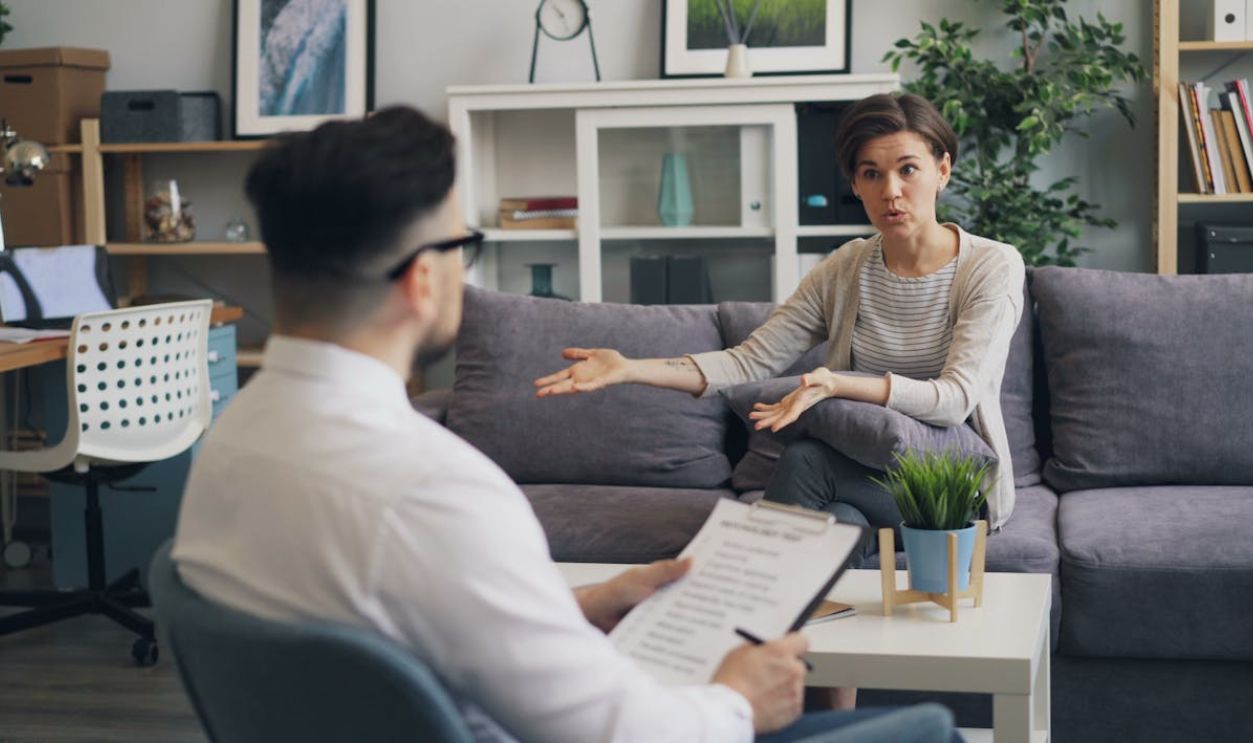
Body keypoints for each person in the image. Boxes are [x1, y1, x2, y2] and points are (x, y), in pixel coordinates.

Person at [170, 106, 958, 743]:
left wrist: (585, 600)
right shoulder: (435, 490)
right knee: (925, 730)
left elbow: (398, 614)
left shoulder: (229, 444)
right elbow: (617, 729)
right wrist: (736, 699)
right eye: (462, 245)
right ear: (420, 279)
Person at [535, 92, 1025, 548]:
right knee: (840, 526)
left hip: (954, 489)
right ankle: (799, 620)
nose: (891, 191)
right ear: (855, 184)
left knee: (808, 463)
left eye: (908, 170)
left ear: (942, 170)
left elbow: (954, 399)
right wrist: (630, 369)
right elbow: (748, 361)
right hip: (867, 475)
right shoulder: (846, 268)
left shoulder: (991, 265)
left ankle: (738, 605)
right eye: (872, 174)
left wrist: (838, 384)